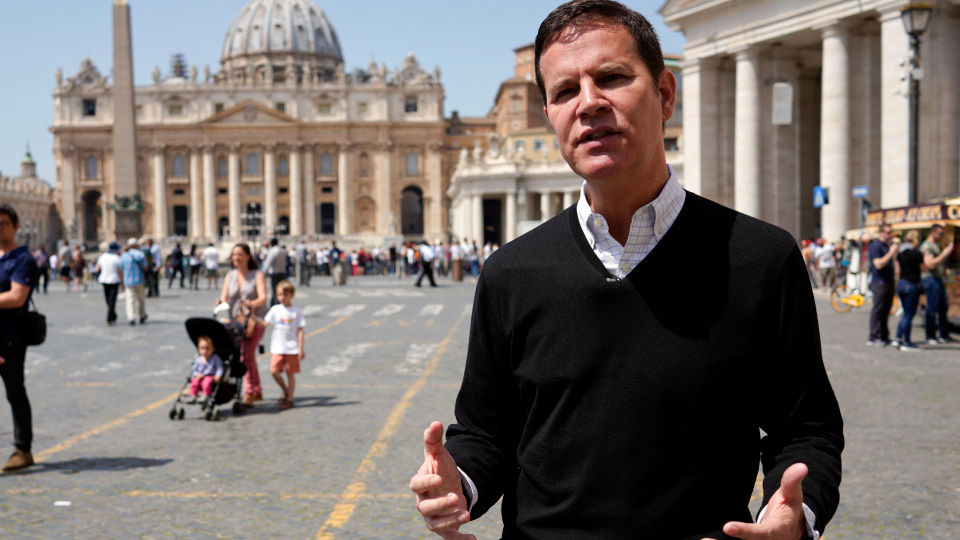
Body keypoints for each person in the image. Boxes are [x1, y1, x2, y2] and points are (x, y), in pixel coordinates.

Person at [410, 2, 844, 539]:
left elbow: (807, 429)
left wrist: (794, 514)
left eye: (612, 78)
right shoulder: (509, 273)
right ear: (549, 117)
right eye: (565, 91)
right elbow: (486, 432)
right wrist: (461, 480)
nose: (589, 103)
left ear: (665, 94)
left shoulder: (764, 259)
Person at [0, 203, 40, 472]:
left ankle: (22, 448)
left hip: (10, 335)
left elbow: (17, 297)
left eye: (3, 222)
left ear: (15, 226)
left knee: (15, 390)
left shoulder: (23, 259)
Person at [218, 243, 267, 406]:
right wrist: (220, 302)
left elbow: (263, 298)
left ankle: (248, 392)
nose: (236, 258)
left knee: (246, 355)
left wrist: (250, 304)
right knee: (247, 356)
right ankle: (256, 390)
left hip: (255, 320)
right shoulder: (229, 276)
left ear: (247, 256)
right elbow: (224, 297)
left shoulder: (257, 274)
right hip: (236, 322)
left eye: (239, 254)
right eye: (234, 255)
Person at [249, 280, 305, 410]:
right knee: (273, 370)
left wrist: (300, 348)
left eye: (285, 295)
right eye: (279, 295)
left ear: (291, 295)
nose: (282, 298)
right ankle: (285, 390)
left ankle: (290, 399)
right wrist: (252, 316)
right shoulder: (275, 309)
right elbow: (265, 323)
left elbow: (300, 331)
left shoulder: (296, 311)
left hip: (292, 348)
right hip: (277, 347)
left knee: (290, 373)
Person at [919, 224, 955, 344]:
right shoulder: (927, 246)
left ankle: (944, 334)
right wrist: (944, 254)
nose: (941, 236)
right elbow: (929, 264)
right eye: (940, 233)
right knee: (932, 307)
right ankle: (930, 336)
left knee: (943, 308)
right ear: (933, 232)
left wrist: (944, 270)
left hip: (938, 279)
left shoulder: (936, 245)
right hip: (930, 279)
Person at [866, 225, 899, 347]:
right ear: (881, 233)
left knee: (886, 310)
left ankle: (884, 336)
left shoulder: (886, 246)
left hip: (888, 282)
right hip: (879, 283)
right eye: (889, 232)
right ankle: (873, 337)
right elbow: (878, 264)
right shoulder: (876, 246)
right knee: (878, 310)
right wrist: (891, 253)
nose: (891, 235)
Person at [895, 230, 924, 351]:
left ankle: (897, 338)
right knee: (909, 314)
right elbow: (925, 268)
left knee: (905, 313)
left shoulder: (900, 253)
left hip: (901, 283)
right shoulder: (916, 253)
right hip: (911, 285)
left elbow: (897, 271)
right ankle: (906, 342)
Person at [118, 237, 149, 326]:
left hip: (128, 281)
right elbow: (145, 267)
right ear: (136, 245)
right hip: (140, 280)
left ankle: (131, 317)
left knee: (130, 300)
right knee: (141, 299)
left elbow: (121, 268)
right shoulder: (140, 254)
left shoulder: (124, 255)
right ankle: (142, 315)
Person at [188, 335, 224, 403]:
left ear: (213, 348)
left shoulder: (215, 358)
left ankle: (205, 395)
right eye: (202, 348)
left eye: (207, 348)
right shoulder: (198, 359)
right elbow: (194, 370)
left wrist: (218, 375)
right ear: (198, 348)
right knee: (194, 381)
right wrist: (197, 375)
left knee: (207, 381)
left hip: (210, 376)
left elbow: (219, 368)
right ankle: (193, 395)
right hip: (200, 377)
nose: (205, 351)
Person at [94, 242, 123, 326]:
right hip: (114, 280)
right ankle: (109, 318)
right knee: (112, 300)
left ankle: (112, 315)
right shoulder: (117, 258)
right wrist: (122, 281)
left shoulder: (102, 257)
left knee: (108, 299)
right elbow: (119, 271)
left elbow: (96, 269)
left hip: (104, 279)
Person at [263, 238, 287, 305]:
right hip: (282, 272)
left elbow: (268, 262)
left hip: (275, 273)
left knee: (275, 290)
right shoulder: (282, 250)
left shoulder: (273, 251)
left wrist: (264, 272)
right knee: (281, 289)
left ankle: (275, 305)